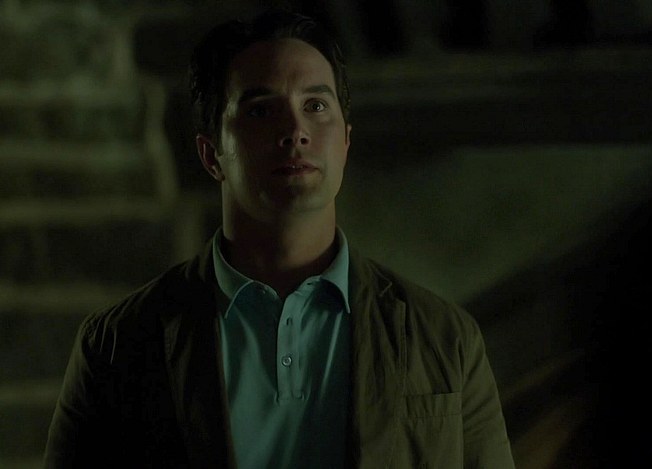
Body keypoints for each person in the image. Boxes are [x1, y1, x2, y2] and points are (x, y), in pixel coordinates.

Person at [44, 9, 514, 469]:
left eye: (316, 106)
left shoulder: (444, 337)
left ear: (345, 141)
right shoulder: (118, 345)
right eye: (261, 110)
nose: (295, 131)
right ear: (211, 154)